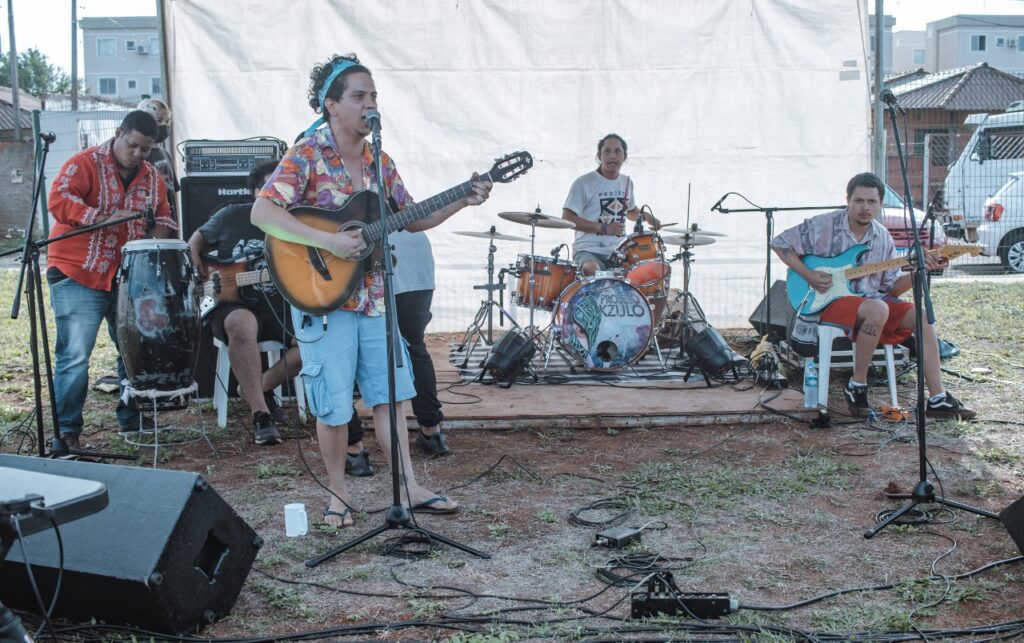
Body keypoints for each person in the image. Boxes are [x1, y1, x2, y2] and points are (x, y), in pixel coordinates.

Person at [251, 53, 492, 527]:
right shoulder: (306, 155)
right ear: (331, 105)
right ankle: (338, 494)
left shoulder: (379, 160)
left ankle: (409, 485)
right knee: (334, 402)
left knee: (392, 396)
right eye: (359, 96)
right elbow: (263, 212)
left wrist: (463, 198)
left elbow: (411, 216)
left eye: (374, 95)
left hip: (375, 297)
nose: (370, 104)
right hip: (324, 300)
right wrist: (328, 240)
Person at [771, 172, 975, 419]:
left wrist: (920, 270)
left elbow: (892, 288)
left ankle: (937, 398)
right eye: (859, 201)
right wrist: (809, 275)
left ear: (880, 205)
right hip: (827, 301)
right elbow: (780, 243)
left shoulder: (882, 237)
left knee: (921, 316)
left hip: (872, 303)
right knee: (878, 309)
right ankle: (857, 385)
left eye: (871, 202)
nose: (865, 207)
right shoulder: (824, 225)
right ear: (847, 200)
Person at [47, 110, 177, 451]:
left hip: (126, 277)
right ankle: (66, 432)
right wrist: (102, 218)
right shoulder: (84, 163)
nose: (137, 154)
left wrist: (155, 239)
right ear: (119, 134)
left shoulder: (152, 179)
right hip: (78, 271)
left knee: (133, 350)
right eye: (132, 145)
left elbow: (164, 218)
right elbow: (59, 200)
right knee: (75, 355)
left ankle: (132, 417)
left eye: (145, 150)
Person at [347, 230, 451, 457]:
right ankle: (432, 432)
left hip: (372, 261)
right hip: (413, 253)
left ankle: (354, 448)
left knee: (348, 353)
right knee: (414, 345)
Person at [562, 133, 659, 276]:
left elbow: (630, 210)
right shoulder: (584, 183)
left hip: (618, 252)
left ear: (624, 157)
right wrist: (604, 228)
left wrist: (645, 216)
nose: (612, 156)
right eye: (607, 151)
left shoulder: (627, 182)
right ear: (599, 156)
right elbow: (567, 218)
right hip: (589, 250)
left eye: (617, 151)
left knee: (649, 271)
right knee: (591, 270)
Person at [136, 98, 178, 218]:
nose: (164, 125)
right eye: (159, 121)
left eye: (167, 121)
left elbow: (173, 190)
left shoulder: (165, 153)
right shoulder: (140, 156)